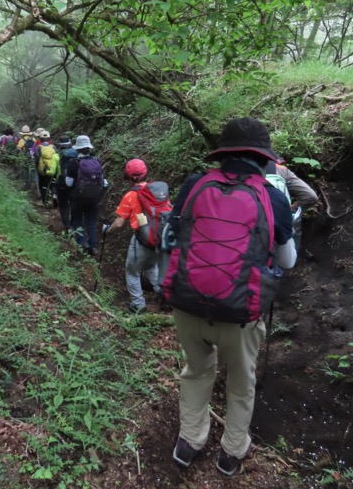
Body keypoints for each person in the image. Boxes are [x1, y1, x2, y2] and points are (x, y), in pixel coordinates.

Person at [163, 117, 296, 477]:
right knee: (241, 382)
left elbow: (172, 239)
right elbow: (286, 261)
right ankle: (231, 452)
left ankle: (189, 442)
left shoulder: (194, 184)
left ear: (224, 154)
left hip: (188, 303)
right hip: (240, 314)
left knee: (195, 372)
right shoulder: (273, 196)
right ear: (262, 157)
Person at [103, 159, 168, 314]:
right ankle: (165, 295)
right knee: (152, 266)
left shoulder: (131, 195)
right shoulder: (158, 192)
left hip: (141, 240)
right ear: (146, 172)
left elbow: (119, 223)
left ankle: (138, 304)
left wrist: (107, 230)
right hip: (160, 239)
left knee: (132, 271)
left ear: (129, 175)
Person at [65, 135, 106, 256]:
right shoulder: (97, 161)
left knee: (77, 220)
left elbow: (69, 183)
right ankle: (94, 246)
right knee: (91, 221)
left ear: (78, 149)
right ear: (89, 148)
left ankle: (82, 244)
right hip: (94, 198)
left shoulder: (73, 163)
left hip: (78, 198)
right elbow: (103, 181)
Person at [55, 135, 78, 230]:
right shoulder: (77, 154)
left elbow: (54, 170)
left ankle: (67, 226)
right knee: (74, 204)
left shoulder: (58, 155)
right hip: (74, 183)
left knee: (64, 205)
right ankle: (75, 225)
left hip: (61, 183)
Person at [35, 131, 59, 207]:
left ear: (40, 139)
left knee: (43, 185)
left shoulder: (38, 147)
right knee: (52, 184)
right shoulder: (53, 147)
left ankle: (45, 202)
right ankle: (54, 195)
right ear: (49, 138)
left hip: (42, 170)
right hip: (52, 169)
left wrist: (38, 167)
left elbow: (36, 159)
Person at [16, 126, 37, 190]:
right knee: (34, 169)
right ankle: (35, 182)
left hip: (26, 157)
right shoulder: (33, 139)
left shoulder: (22, 140)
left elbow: (18, 149)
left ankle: (27, 184)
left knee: (26, 169)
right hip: (33, 156)